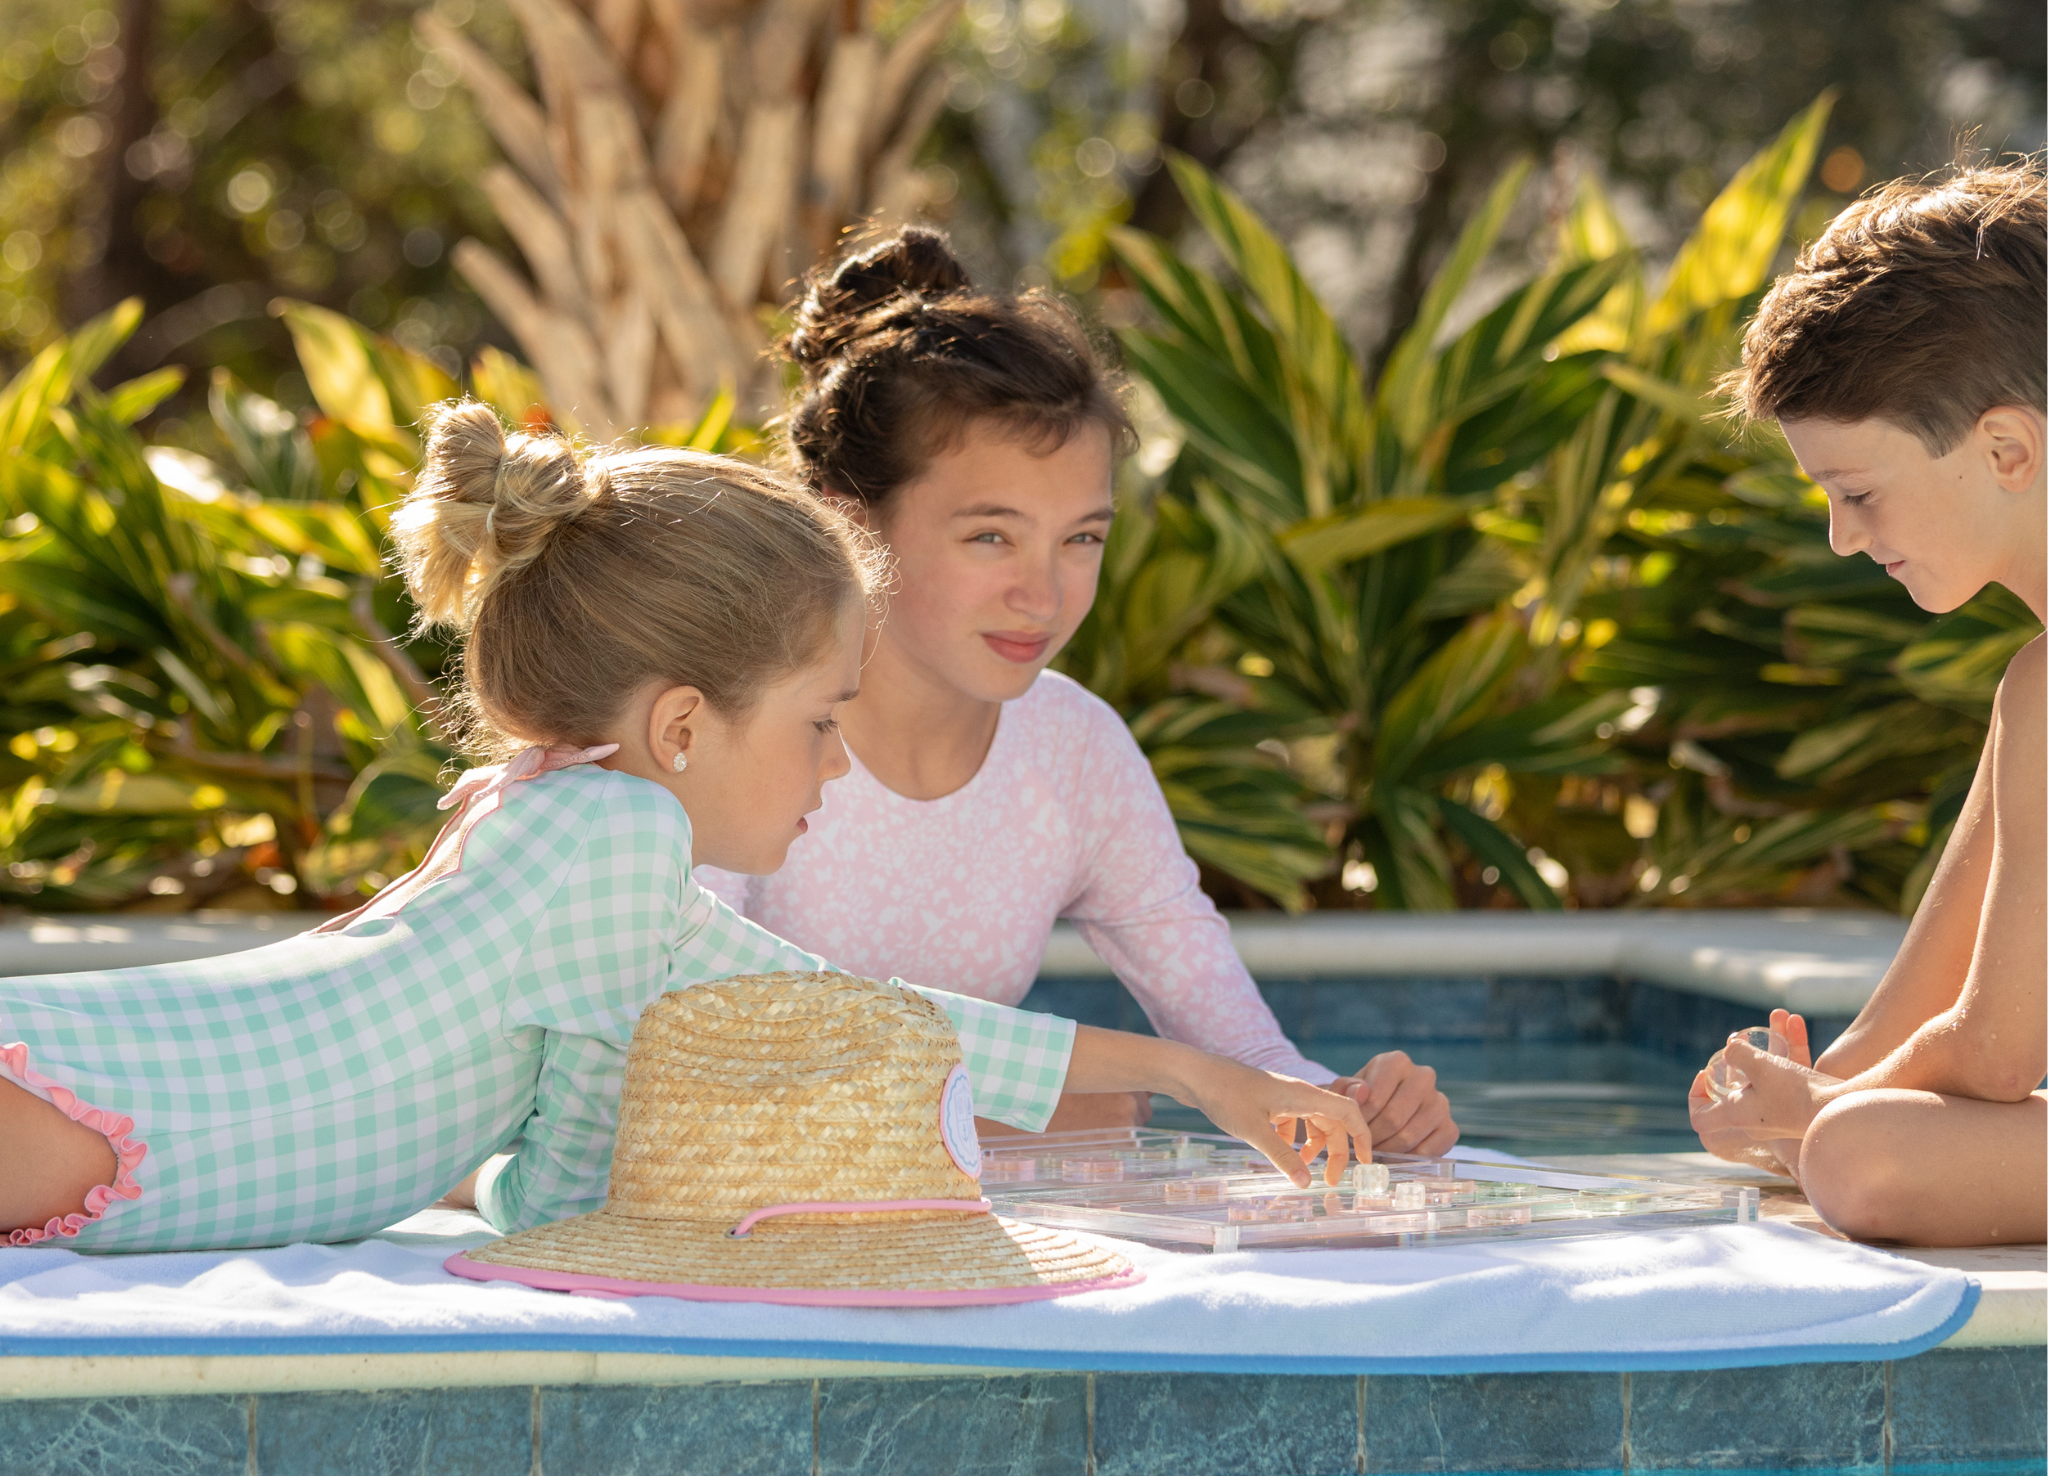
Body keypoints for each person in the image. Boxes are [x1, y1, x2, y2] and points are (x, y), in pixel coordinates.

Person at [0, 405, 1369, 1252]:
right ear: (681, 728)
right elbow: (871, 1021)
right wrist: (1194, 1076)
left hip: (103, 1089)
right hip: (130, 1100)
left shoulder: (552, 825)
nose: (833, 765)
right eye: (819, 720)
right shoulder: (610, 849)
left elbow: (557, 1198)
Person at [695, 230, 1458, 1156]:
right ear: (848, 523)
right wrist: (1019, 1114)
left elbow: (1244, 1052)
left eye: (1082, 539)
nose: (1045, 595)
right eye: (991, 537)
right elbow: (680, 1068)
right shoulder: (731, 733)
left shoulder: (1073, 747)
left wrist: (1349, 1113)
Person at [1691, 160, 2045, 1248]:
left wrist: (1821, 1115)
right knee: (1843, 1132)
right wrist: (1796, 1098)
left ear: (2005, 448)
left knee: (1861, 1153)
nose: (1843, 537)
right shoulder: (2030, 689)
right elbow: (1917, 1009)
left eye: (1855, 492)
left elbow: (1997, 1054)